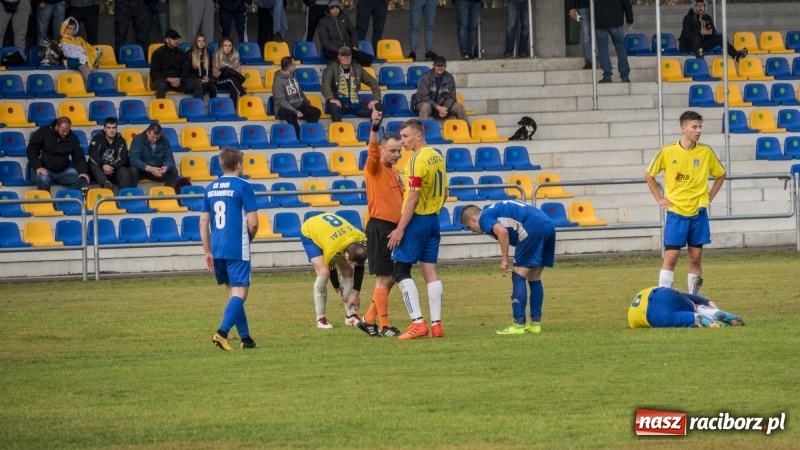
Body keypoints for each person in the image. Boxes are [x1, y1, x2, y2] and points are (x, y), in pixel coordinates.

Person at [645, 110, 726, 296]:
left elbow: (721, 174)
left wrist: (709, 197)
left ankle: (694, 299)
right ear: (683, 128)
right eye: (694, 127)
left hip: (698, 213)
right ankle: (664, 298)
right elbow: (649, 174)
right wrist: (659, 198)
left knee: (695, 257)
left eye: (700, 127)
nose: (698, 131)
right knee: (671, 256)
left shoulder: (705, 152)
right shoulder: (668, 151)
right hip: (676, 212)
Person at [388, 118, 447, 340]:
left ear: (418, 136)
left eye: (405, 136)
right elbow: (446, 192)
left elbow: (412, 198)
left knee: (400, 270)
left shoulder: (417, 159)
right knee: (429, 269)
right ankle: (437, 325)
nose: (402, 141)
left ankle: (418, 323)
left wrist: (400, 228)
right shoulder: (437, 156)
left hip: (418, 220)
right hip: (433, 220)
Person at [460, 201, 556, 335]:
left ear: (473, 218)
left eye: (469, 226)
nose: (472, 231)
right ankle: (535, 324)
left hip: (531, 228)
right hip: (548, 225)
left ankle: (518, 325)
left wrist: (504, 259)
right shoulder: (494, 211)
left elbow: (503, 232)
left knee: (518, 276)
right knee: (534, 277)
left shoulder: (484, 217)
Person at [202, 147, 260, 351]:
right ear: (238, 165)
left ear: (221, 165)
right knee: (240, 293)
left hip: (217, 248)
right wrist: (248, 240)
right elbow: (253, 223)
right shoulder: (244, 186)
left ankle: (246, 339)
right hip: (237, 246)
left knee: (233, 293)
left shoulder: (210, 188)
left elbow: (203, 223)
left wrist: (207, 251)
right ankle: (222, 333)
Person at [357, 108, 404, 338]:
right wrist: (375, 126)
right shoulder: (374, 167)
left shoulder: (394, 172)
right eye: (392, 151)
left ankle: (368, 319)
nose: (396, 154)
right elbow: (372, 150)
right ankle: (384, 325)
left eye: (399, 151)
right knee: (384, 278)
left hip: (393, 229)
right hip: (380, 227)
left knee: (392, 276)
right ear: (383, 150)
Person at [300, 213, 368, 329]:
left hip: (336, 237)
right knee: (324, 272)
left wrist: (356, 294)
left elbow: (359, 265)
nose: (353, 264)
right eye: (350, 261)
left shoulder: (362, 239)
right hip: (310, 231)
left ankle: (350, 316)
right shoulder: (333, 250)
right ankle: (320, 318)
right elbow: (332, 270)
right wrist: (337, 289)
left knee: (348, 270)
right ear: (346, 255)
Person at [628, 286, 745, 329]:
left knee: (689, 318)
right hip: (663, 293)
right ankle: (714, 312)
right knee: (693, 305)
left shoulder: (631, 320)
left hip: (654, 316)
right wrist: (706, 301)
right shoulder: (642, 293)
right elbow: (684, 295)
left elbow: (634, 325)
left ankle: (701, 319)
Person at [26, 117, 89, 192]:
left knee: (84, 179)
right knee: (43, 179)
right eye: (63, 131)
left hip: (63, 172)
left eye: (67, 131)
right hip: (44, 169)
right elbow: (31, 151)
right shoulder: (43, 132)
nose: (65, 133)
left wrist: (83, 172)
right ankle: (46, 199)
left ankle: (64, 196)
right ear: (56, 126)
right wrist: (38, 167)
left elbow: (79, 157)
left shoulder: (73, 137)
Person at [321, 46, 381, 123]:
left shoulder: (357, 68)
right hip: (339, 103)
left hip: (355, 104)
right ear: (339, 57)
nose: (346, 57)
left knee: (379, 107)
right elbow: (325, 85)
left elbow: (373, 82)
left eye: (348, 55)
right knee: (333, 107)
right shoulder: (332, 68)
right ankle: (339, 129)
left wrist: (376, 99)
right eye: (343, 55)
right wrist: (331, 98)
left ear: (351, 56)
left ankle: (371, 128)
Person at [679, 0, 747, 61]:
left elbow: (714, 32)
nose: (700, 7)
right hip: (691, 45)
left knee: (720, 37)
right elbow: (686, 35)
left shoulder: (707, 17)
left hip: (704, 43)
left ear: (705, 7)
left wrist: (711, 32)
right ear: (695, 7)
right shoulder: (688, 18)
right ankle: (699, 54)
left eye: (702, 5)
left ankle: (736, 55)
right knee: (696, 37)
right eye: (698, 5)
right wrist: (700, 32)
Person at [272, 56, 321, 138]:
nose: (295, 66)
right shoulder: (278, 81)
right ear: (289, 68)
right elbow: (281, 101)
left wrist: (307, 104)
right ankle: (298, 136)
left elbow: (299, 92)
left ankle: (305, 134)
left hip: (298, 105)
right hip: (283, 107)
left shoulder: (293, 76)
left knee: (316, 112)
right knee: (289, 113)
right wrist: (295, 111)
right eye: (294, 65)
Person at [150, 29, 204, 99]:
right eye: (174, 39)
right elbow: (154, 73)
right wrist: (168, 79)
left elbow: (186, 70)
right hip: (163, 80)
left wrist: (180, 79)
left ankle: (198, 105)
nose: (176, 41)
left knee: (197, 83)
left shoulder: (181, 53)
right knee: (161, 85)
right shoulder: (157, 53)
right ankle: (160, 106)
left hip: (179, 81)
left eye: (177, 39)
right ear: (167, 40)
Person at [128, 122, 183, 190]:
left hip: (158, 170)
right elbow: (134, 159)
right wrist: (150, 169)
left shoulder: (164, 141)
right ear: (147, 132)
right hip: (142, 170)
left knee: (173, 171)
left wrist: (165, 167)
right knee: (132, 170)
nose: (154, 140)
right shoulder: (138, 139)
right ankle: (132, 193)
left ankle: (168, 193)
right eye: (152, 137)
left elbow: (169, 159)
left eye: (157, 137)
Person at [318, 0, 373, 66]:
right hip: (334, 51)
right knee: (344, 60)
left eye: (337, 8)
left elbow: (353, 32)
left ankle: (355, 69)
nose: (335, 11)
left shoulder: (344, 17)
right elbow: (325, 42)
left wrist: (354, 45)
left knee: (368, 59)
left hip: (347, 49)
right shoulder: (323, 22)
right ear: (329, 10)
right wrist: (339, 49)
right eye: (332, 9)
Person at [413, 56, 468, 122]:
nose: (440, 68)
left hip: (443, 105)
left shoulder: (449, 78)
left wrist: (445, 108)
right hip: (426, 104)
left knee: (459, 107)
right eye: (438, 66)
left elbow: (451, 97)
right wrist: (438, 107)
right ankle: (422, 128)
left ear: (445, 66)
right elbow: (423, 97)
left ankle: (466, 128)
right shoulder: (425, 77)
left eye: (442, 66)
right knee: (425, 106)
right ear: (433, 66)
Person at [88, 117, 133, 193]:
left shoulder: (121, 141)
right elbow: (92, 153)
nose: (111, 130)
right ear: (104, 129)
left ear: (116, 128)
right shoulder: (97, 138)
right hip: (99, 170)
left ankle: (123, 196)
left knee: (124, 171)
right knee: (92, 163)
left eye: (114, 128)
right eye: (109, 128)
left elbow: (123, 159)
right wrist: (103, 165)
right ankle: (106, 185)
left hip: (113, 170)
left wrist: (111, 168)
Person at [594, 0, 632, 83]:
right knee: (620, 49)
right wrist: (630, 19)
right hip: (616, 20)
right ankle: (625, 76)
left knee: (602, 50)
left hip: (600, 21)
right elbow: (626, 3)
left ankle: (607, 75)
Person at [58, 17, 99, 83]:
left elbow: (88, 47)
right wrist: (81, 54)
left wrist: (87, 54)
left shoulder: (79, 39)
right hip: (74, 61)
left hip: (85, 59)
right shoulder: (64, 40)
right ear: (65, 28)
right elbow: (68, 53)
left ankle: (98, 86)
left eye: (74, 28)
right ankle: (91, 86)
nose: (72, 30)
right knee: (87, 71)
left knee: (94, 69)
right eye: (70, 28)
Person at [213, 37, 247, 105]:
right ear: (222, 47)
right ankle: (243, 95)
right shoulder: (216, 56)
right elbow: (214, 73)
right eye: (225, 46)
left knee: (232, 82)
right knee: (232, 79)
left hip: (232, 81)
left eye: (230, 46)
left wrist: (229, 72)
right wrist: (224, 73)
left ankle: (232, 108)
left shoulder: (235, 56)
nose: (228, 48)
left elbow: (238, 72)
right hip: (219, 81)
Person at [190, 33, 217, 100]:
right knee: (202, 87)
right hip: (196, 80)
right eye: (199, 41)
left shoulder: (208, 53)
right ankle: (199, 105)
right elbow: (188, 72)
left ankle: (214, 105)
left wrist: (208, 77)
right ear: (195, 42)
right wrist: (199, 79)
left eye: (203, 41)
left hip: (207, 79)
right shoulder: (190, 54)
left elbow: (210, 69)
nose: (201, 43)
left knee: (212, 86)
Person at [568, 0, 592, 69]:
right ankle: (589, 60)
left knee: (587, 35)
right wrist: (573, 7)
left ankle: (590, 60)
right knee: (586, 34)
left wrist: (573, 7)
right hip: (584, 6)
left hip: (585, 6)